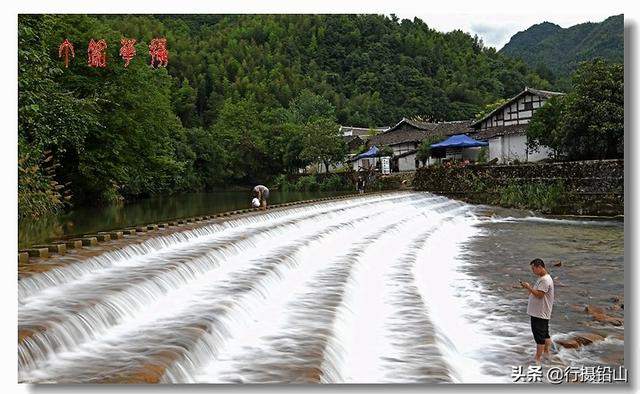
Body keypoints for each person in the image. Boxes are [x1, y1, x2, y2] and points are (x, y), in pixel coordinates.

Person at [521, 258, 555, 364]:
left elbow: (540, 295)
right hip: (541, 312)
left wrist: (528, 287)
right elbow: (537, 293)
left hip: (540, 313)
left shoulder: (545, 280)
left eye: (533, 268)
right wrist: (529, 289)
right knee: (545, 334)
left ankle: (537, 358)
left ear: (539, 267)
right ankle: (546, 353)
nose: (533, 271)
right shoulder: (543, 278)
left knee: (539, 336)